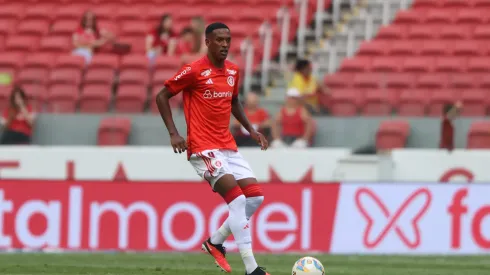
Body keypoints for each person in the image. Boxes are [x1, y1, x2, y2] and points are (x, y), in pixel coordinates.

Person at [156, 22, 271, 275]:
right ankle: (252, 269)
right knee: (238, 200)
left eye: (227, 40)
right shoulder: (194, 70)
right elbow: (162, 96)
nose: (225, 45)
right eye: (219, 40)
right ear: (207, 42)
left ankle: (215, 241)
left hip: (227, 145)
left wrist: (251, 130)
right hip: (202, 148)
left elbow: (234, 101)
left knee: (255, 197)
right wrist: (174, 133)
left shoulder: (232, 70)